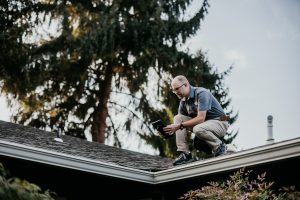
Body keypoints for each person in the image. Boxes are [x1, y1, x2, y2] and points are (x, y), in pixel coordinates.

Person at [163, 75, 230, 165]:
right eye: (174, 90)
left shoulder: (202, 93)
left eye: (177, 89)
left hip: (221, 122)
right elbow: (181, 126)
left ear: (186, 85)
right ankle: (185, 154)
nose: (175, 92)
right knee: (177, 118)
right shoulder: (183, 102)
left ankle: (220, 147)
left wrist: (179, 126)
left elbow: (201, 118)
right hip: (205, 124)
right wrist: (169, 131)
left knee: (197, 128)